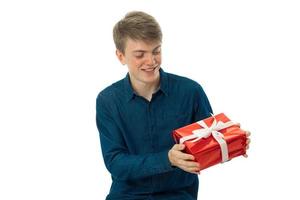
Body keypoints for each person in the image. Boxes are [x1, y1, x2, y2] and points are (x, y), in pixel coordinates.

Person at [96, 11, 250, 200]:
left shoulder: (190, 91)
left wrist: (233, 142)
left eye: (156, 51)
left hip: (178, 195)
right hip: (127, 195)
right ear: (121, 56)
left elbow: (209, 141)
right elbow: (115, 162)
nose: (151, 61)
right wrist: (167, 159)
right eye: (140, 54)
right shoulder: (108, 100)